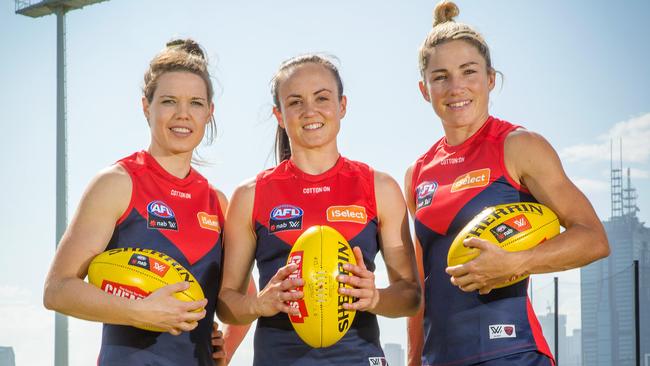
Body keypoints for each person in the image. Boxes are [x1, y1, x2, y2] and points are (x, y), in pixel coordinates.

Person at [405, 2, 610, 365]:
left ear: (490, 79)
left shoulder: (518, 146)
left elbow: (593, 238)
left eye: (469, 72)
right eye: (441, 77)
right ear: (424, 90)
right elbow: (422, 284)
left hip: (513, 353)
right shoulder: (418, 172)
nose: (456, 88)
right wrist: (413, 359)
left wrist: (516, 262)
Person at [43, 39, 248, 365]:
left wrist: (227, 349)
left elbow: (240, 297)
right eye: (169, 101)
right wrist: (137, 311)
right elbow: (57, 290)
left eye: (195, 103)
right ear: (145, 106)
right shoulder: (117, 183)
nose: (183, 114)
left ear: (209, 112)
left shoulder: (217, 203)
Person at [217, 54, 421, 365]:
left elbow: (410, 296)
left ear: (342, 106)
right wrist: (260, 304)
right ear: (280, 115)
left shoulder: (379, 188)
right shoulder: (250, 195)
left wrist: (375, 297)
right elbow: (226, 301)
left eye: (322, 98)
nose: (310, 110)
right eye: (295, 101)